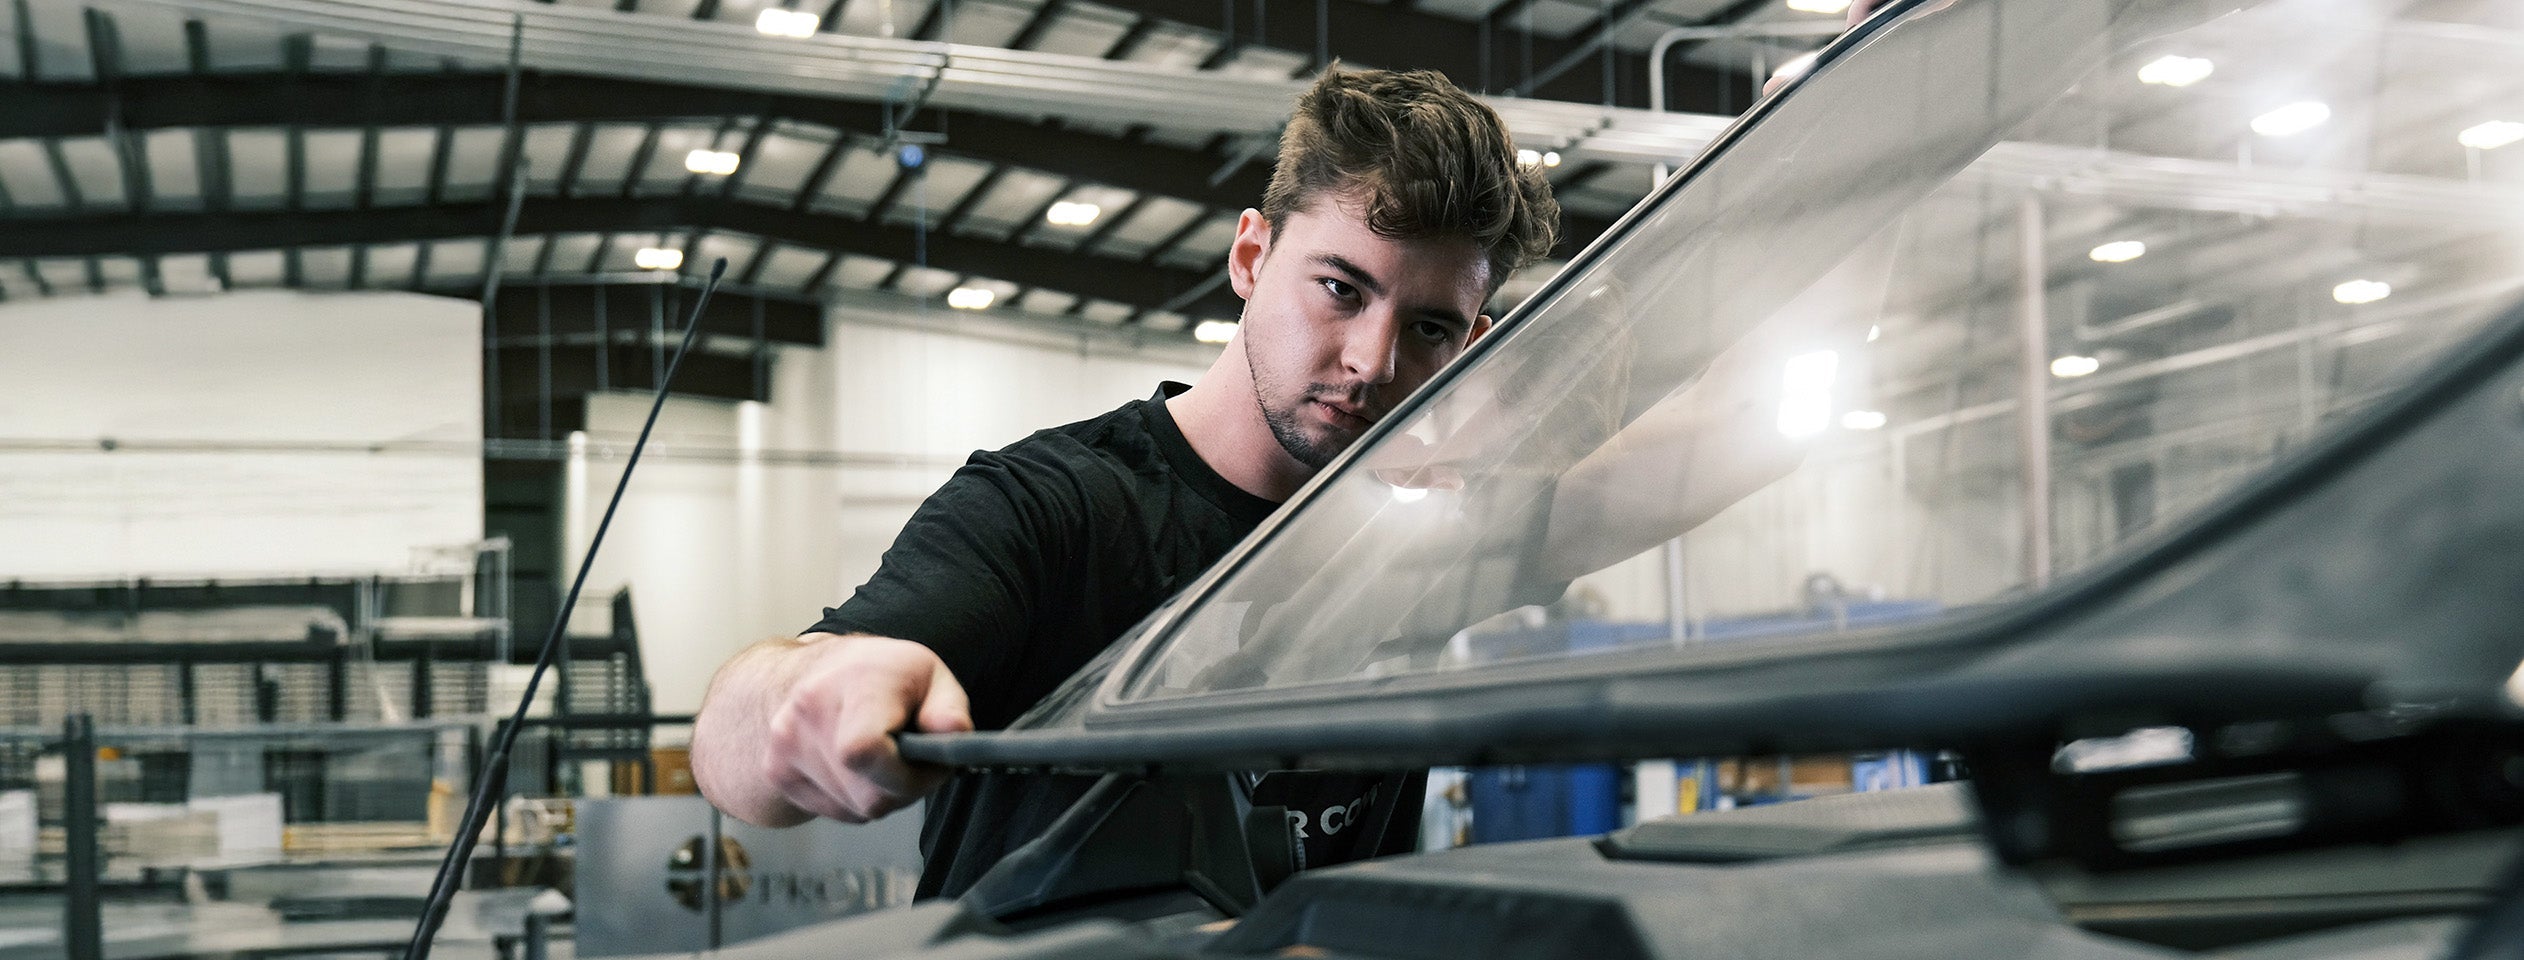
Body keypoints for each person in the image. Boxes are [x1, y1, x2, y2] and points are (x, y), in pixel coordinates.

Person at [691, 65, 1561, 898]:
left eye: (1429, 329)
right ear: (1252, 257)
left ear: (1472, 344)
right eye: (1340, 288)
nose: (1374, 362)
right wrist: (806, 694)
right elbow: (739, 746)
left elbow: (1665, 479)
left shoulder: (1424, 533)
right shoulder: (1051, 503)